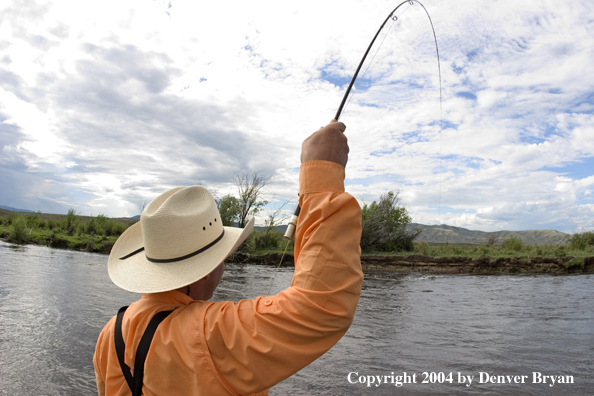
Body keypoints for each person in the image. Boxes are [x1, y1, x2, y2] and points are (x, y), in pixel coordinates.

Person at [93, 121, 363, 396]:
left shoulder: (110, 333)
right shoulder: (211, 334)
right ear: (208, 269)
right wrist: (321, 178)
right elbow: (320, 307)